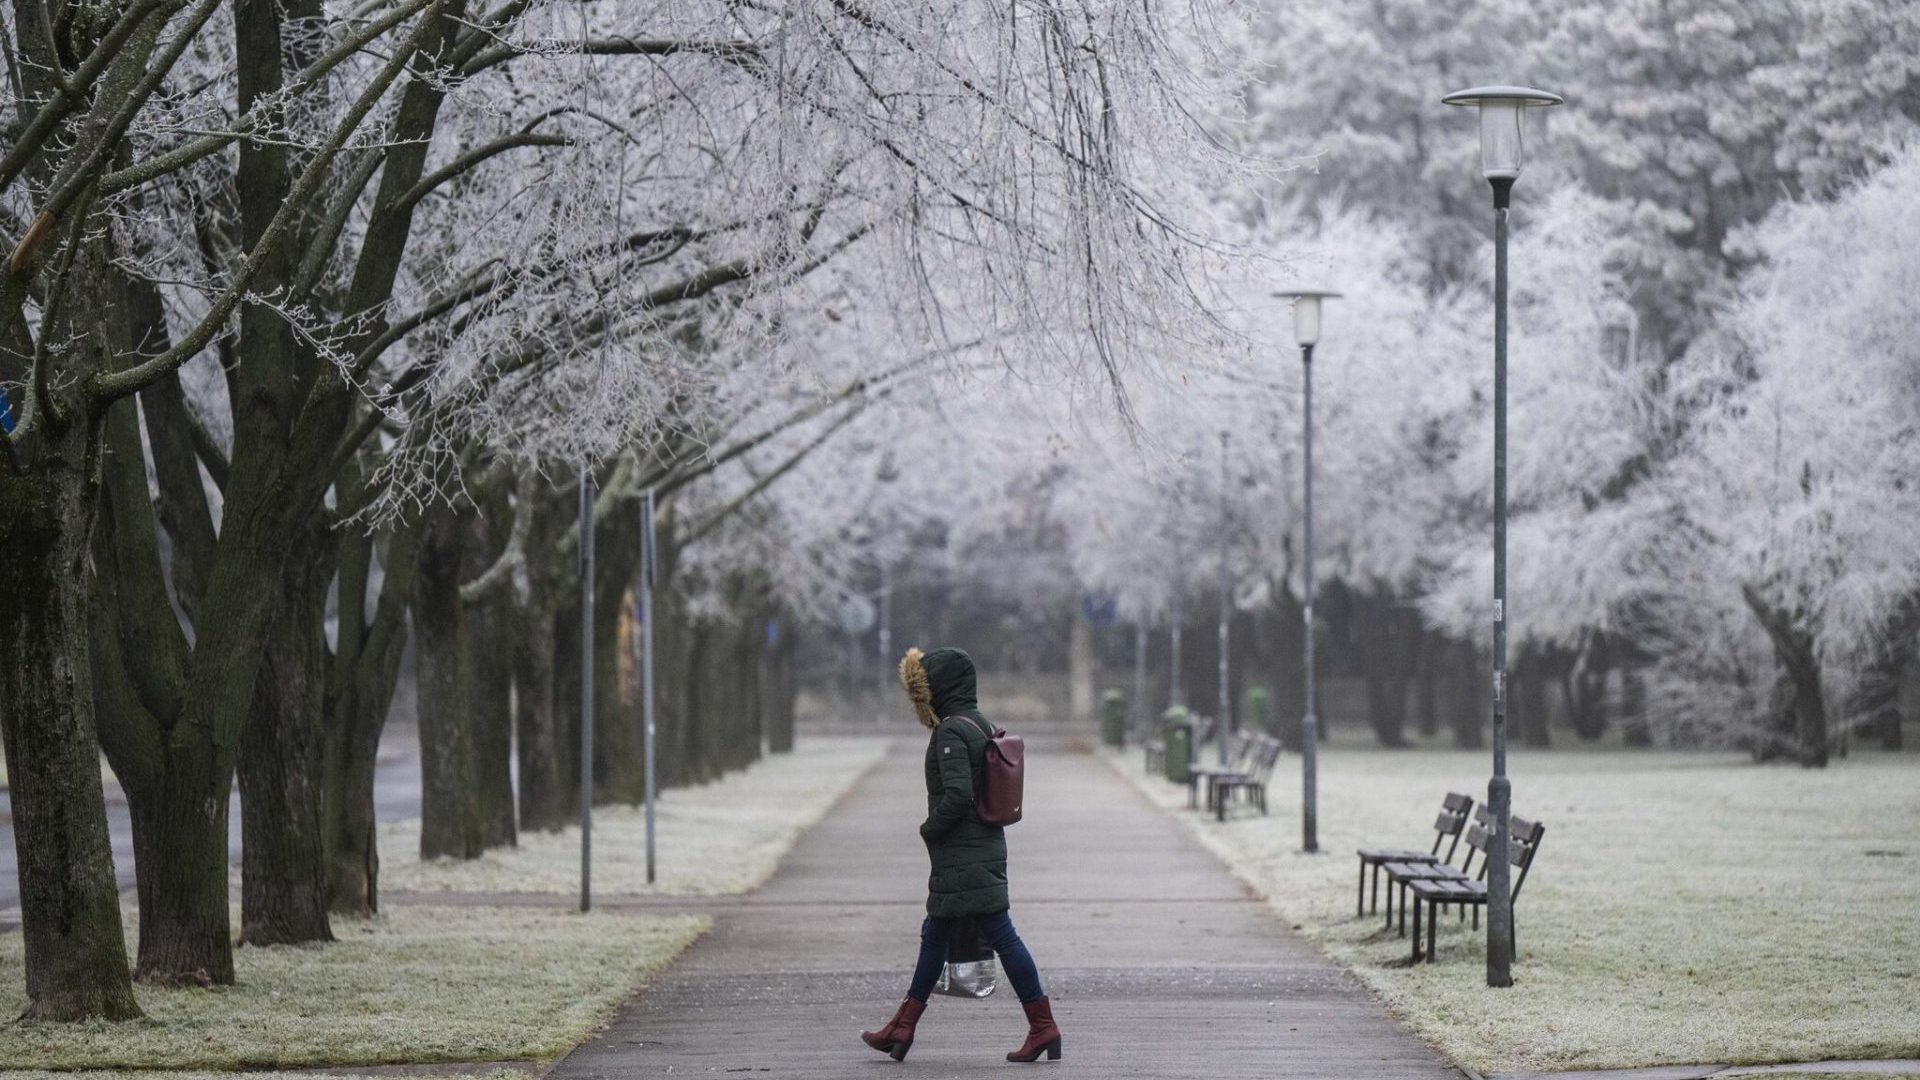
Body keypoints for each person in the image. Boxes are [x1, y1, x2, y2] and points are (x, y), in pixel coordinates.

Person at [859, 646, 1063, 1063]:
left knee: (1001, 935)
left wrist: (929, 830)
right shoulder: (978, 722)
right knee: (935, 934)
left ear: (941, 687)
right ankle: (903, 1026)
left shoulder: (952, 730)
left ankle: (1043, 1027)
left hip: (963, 854)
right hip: (980, 848)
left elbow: (957, 796)